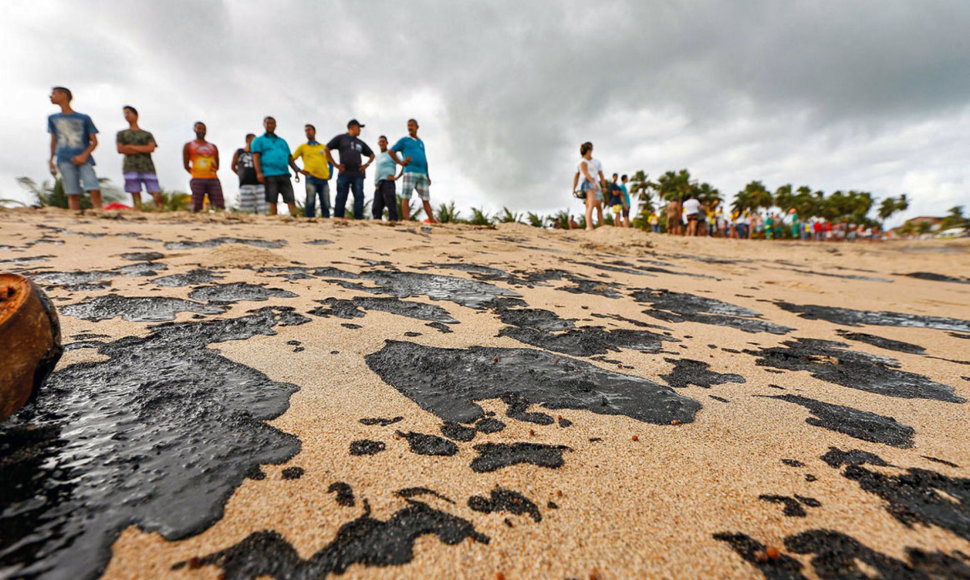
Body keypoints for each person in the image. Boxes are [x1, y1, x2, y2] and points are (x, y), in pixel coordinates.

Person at [48, 86, 102, 210]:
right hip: (63, 158)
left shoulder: (84, 118)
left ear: (64, 96)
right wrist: (51, 159)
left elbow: (94, 141)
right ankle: (75, 216)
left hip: (84, 158)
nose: (51, 96)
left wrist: (84, 155)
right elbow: (53, 140)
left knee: (93, 186)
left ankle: (99, 212)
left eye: (54, 94)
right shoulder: (52, 118)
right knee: (72, 192)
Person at [389, 119, 438, 223]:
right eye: (408, 126)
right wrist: (401, 162)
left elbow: (425, 159)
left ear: (417, 127)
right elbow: (391, 151)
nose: (410, 127)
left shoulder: (421, 142)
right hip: (410, 171)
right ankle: (406, 220)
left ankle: (432, 220)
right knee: (406, 196)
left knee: (426, 198)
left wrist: (428, 175)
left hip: (422, 173)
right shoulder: (404, 140)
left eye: (412, 125)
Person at [326, 119, 375, 219]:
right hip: (344, 172)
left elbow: (372, 155)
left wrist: (366, 164)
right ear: (352, 127)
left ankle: (358, 219)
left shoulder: (360, 142)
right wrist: (335, 164)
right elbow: (327, 148)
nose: (360, 130)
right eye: (358, 128)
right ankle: (338, 218)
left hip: (358, 174)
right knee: (341, 196)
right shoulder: (341, 138)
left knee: (359, 196)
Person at [252, 116, 300, 216]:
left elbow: (289, 158)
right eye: (268, 123)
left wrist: (295, 171)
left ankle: (295, 218)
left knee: (290, 198)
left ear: (275, 125)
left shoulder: (282, 141)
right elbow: (256, 157)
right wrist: (259, 173)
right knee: (272, 199)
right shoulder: (258, 140)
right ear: (264, 125)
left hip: (284, 173)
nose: (270, 125)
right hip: (269, 174)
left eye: (272, 123)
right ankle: (274, 220)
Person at [116, 106, 161, 210]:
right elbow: (121, 149)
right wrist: (142, 148)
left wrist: (131, 146)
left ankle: (160, 210)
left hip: (147, 166)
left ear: (136, 115)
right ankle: (138, 210)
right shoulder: (122, 134)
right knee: (134, 192)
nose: (126, 115)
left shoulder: (147, 134)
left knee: (155, 190)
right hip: (130, 166)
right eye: (125, 113)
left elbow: (151, 148)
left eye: (128, 113)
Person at [182, 122, 225, 212]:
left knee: (219, 204)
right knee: (197, 205)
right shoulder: (189, 145)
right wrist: (195, 172)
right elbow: (186, 165)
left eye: (203, 129)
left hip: (213, 178)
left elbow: (217, 163)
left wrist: (212, 170)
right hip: (197, 178)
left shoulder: (213, 146)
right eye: (199, 128)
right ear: (195, 130)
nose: (201, 130)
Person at [291, 124, 331, 218]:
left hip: (324, 178)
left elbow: (330, 162)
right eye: (306, 130)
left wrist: (331, 173)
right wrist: (298, 170)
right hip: (311, 178)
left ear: (314, 131)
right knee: (310, 201)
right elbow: (291, 159)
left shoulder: (323, 147)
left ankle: (326, 220)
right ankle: (310, 220)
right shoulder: (302, 147)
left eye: (309, 130)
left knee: (326, 202)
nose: (308, 132)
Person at [571, 142, 605, 231]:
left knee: (598, 206)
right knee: (591, 204)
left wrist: (603, 186)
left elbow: (601, 174)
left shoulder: (596, 162)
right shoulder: (582, 162)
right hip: (587, 183)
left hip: (595, 184)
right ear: (588, 150)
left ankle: (601, 226)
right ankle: (589, 227)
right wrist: (574, 188)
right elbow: (581, 175)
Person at [231, 134, 267, 215]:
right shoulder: (239, 152)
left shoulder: (259, 153)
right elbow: (233, 166)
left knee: (263, 209)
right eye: (253, 140)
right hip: (245, 184)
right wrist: (240, 174)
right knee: (246, 211)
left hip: (260, 184)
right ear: (247, 140)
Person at [373, 135, 401, 221]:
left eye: (383, 141)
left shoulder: (391, 154)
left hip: (388, 182)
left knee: (391, 203)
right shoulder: (377, 156)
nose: (381, 143)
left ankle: (393, 221)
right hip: (378, 184)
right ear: (378, 143)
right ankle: (377, 222)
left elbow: (403, 164)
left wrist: (397, 177)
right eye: (380, 142)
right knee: (376, 206)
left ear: (387, 143)